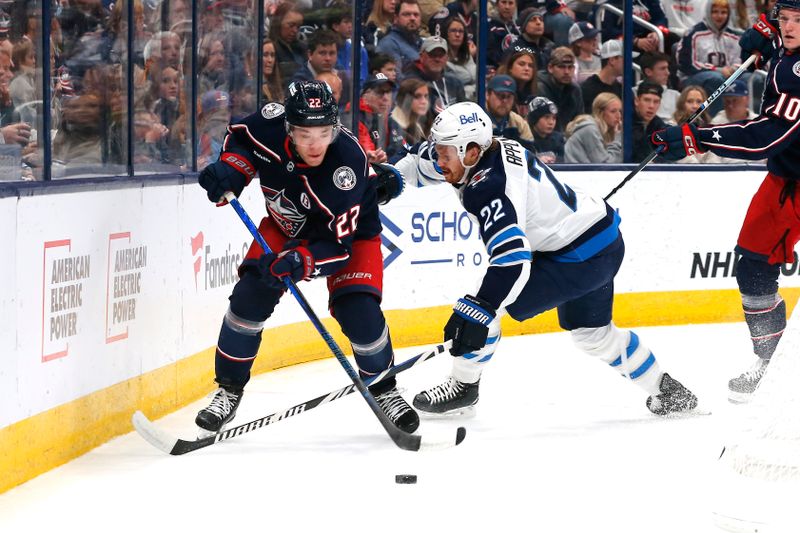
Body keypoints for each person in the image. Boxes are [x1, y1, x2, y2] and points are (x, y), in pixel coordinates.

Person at [392, 101, 698, 416]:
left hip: (580, 256)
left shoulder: (489, 187)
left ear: (471, 152)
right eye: (440, 151)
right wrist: (384, 180)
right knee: (592, 335)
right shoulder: (484, 150)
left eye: (446, 154)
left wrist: (480, 308)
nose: (440, 160)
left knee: (485, 309)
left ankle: (463, 386)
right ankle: (668, 391)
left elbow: (512, 260)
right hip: (601, 238)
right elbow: (421, 164)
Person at [194, 80, 416, 435]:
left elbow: (339, 249)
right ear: (288, 127)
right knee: (249, 298)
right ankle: (228, 390)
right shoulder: (269, 121)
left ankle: (385, 389)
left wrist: (301, 262)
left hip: (350, 238)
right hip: (285, 226)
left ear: (335, 128)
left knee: (358, 311)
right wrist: (231, 170)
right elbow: (241, 141)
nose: (315, 144)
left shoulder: (346, 164)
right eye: (304, 134)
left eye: (324, 133)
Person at [650, 0, 800, 402]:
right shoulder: (789, 53)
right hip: (788, 179)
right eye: (784, 18)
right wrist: (767, 32)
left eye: (797, 21)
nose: (788, 26)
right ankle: (772, 365)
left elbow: (766, 136)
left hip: (790, 170)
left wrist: (696, 137)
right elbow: (773, 38)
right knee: (753, 265)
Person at [676, 0, 743, 116]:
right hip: (692, 77)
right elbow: (686, 63)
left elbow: (740, 59)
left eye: (723, 12)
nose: (719, 16)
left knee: (754, 78)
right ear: (708, 12)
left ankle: (748, 121)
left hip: (726, 75)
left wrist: (733, 69)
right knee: (716, 79)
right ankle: (715, 121)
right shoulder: (694, 34)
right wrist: (719, 70)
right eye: (715, 12)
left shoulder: (733, 36)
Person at [564, 92, 623, 163]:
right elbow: (606, 165)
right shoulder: (590, 129)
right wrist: (617, 141)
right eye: (613, 111)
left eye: (620, 111)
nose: (618, 116)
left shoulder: (605, 131)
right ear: (600, 113)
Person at [537, 47, 583, 132]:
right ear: (550, 68)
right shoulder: (540, 88)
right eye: (561, 67)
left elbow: (580, 122)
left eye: (570, 67)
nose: (566, 72)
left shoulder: (575, 90)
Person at [485, 74, 535, 150]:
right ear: (487, 95)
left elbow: (529, 152)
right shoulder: (477, 119)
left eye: (509, 97)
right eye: (500, 95)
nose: (505, 101)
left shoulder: (519, 123)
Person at [579, 39, 626, 115]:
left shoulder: (622, 89)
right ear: (612, 60)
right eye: (625, 59)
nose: (629, 64)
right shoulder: (587, 89)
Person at [632, 81, 667, 162]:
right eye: (647, 100)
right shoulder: (626, 123)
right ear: (637, 101)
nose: (651, 106)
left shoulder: (659, 125)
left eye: (656, 102)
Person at [527, 96, 565, 163]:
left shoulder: (558, 139)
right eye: (546, 117)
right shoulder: (525, 139)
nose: (551, 122)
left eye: (554, 118)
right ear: (535, 119)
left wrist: (556, 160)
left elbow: (565, 160)